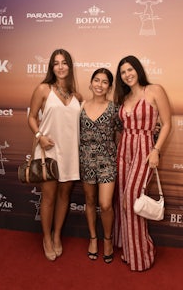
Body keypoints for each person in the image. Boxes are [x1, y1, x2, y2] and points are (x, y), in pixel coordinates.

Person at [113, 55, 171, 271]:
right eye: (123, 72)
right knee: (122, 199)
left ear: (137, 69)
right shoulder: (124, 97)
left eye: (130, 69)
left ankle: (142, 256)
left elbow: (166, 124)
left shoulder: (154, 90)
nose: (127, 74)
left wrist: (156, 150)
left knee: (132, 199)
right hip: (124, 149)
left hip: (145, 149)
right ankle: (129, 251)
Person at [28, 49, 82, 261]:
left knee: (64, 196)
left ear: (70, 66)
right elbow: (32, 117)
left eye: (64, 62)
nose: (60, 67)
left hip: (71, 153)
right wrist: (40, 136)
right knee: (49, 197)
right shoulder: (43, 89)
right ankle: (46, 239)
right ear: (51, 67)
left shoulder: (77, 96)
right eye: (56, 63)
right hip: (48, 151)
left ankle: (57, 235)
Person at [79, 68, 122, 264]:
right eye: (96, 80)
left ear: (109, 87)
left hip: (107, 161)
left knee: (105, 204)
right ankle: (93, 239)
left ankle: (107, 239)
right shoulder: (80, 106)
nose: (99, 85)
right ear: (90, 83)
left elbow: (123, 134)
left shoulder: (115, 109)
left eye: (104, 82)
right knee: (89, 200)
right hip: (86, 160)